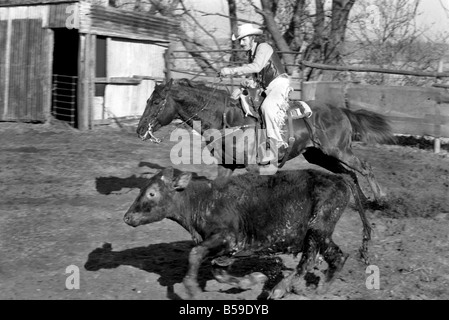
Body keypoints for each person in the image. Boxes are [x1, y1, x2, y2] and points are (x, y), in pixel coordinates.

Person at [220, 24, 312, 162]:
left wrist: (231, 71)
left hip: (279, 85)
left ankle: (276, 146)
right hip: (266, 88)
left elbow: (256, 67)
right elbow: (255, 77)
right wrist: (241, 88)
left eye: (243, 40)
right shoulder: (251, 54)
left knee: (266, 107)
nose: (241, 43)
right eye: (240, 40)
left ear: (251, 38)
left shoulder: (263, 47)